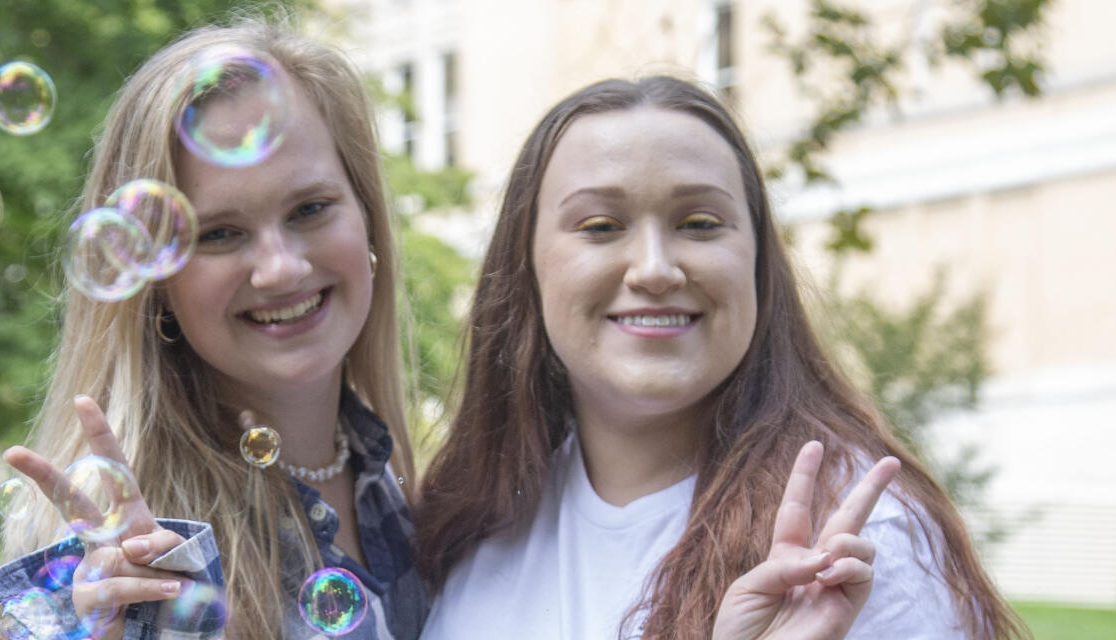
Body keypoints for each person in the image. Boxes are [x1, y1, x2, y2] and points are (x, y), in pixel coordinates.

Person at [411, 76, 1030, 640]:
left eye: (701, 223)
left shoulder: (847, 547)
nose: (654, 268)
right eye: (600, 226)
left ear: (758, 264)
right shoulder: (476, 513)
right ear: (528, 268)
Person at [0, 16, 429, 640]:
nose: (281, 269)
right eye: (218, 233)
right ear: (152, 279)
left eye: (310, 208)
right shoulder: (111, 556)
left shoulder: (411, 490)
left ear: (368, 220)